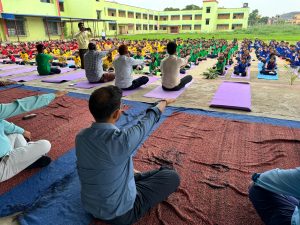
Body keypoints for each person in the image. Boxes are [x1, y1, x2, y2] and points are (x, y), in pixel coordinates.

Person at [76, 86, 180, 225]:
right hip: (121, 214)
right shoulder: (122, 141)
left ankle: (136, 177)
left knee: (121, 165)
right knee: (171, 176)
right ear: (117, 113)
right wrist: (164, 102)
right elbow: (149, 120)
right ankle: (141, 177)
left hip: (90, 206)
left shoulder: (81, 136)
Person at [0, 91, 67, 182]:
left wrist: (23, 131)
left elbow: (2, 122)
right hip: (3, 165)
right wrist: (53, 95)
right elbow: (21, 105)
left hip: (6, 152)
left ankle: (26, 159)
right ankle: (27, 161)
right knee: (45, 144)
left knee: (16, 133)